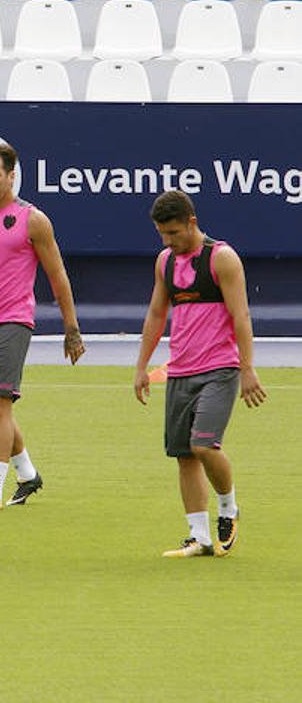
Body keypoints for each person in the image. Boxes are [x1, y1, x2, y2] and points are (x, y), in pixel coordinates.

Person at [134, 191, 265, 558]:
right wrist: (142, 366)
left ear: (192, 222)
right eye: (162, 235)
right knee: (184, 455)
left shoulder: (221, 258)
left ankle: (228, 507)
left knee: (204, 444)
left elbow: (241, 316)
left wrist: (247, 368)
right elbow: (156, 314)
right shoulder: (165, 262)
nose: (168, 242)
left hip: (220, 369)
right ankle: (200, 537)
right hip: (180, 371)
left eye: (174, 233)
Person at [0, 143, 85, 511]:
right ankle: (28, 473)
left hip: (14, 321)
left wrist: (72, 328)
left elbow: (57, 274)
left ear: (12, 175)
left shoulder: (32, 220)